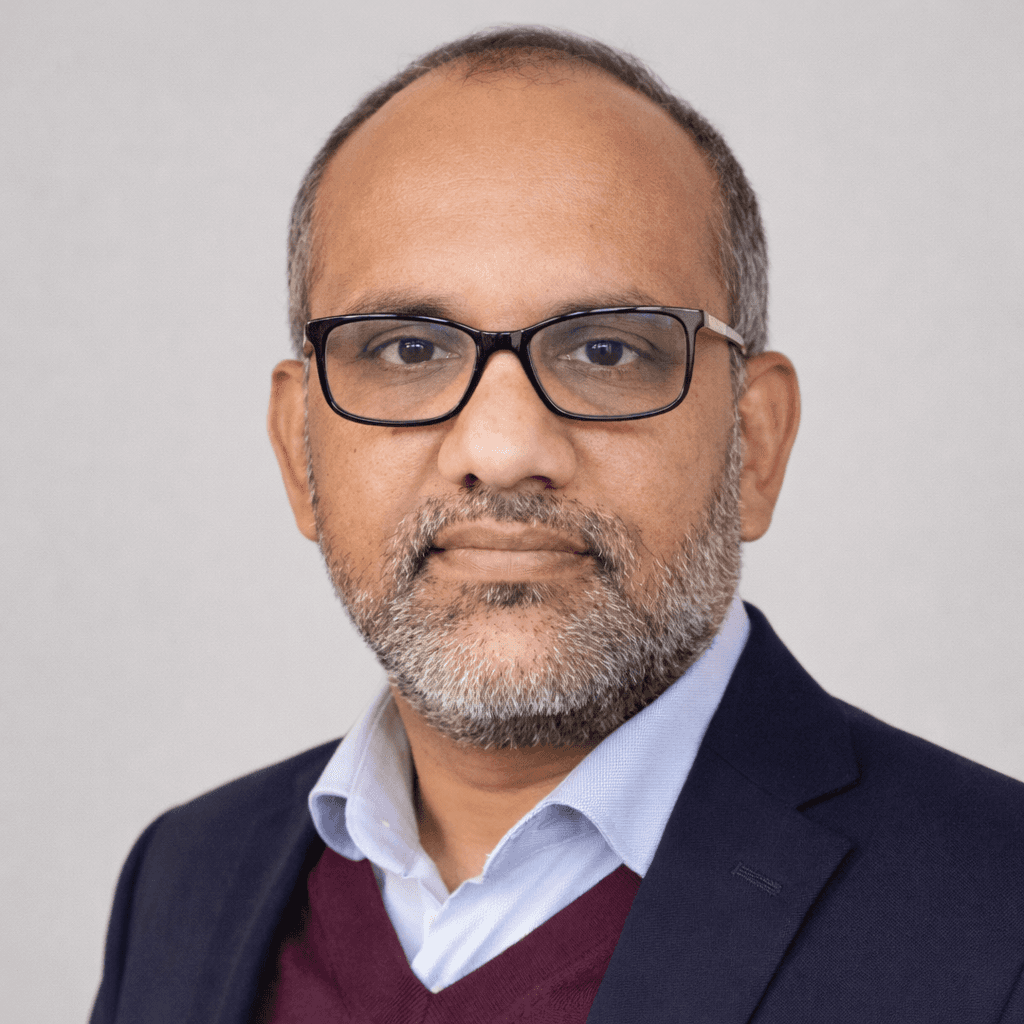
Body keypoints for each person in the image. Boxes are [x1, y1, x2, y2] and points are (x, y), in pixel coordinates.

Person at [89, 26, 1024, 1024]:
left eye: (608, 350)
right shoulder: (181, 880)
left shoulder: (997, 913)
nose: (500, 445)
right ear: (298, 450)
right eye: (407, 349)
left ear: (753, 442)